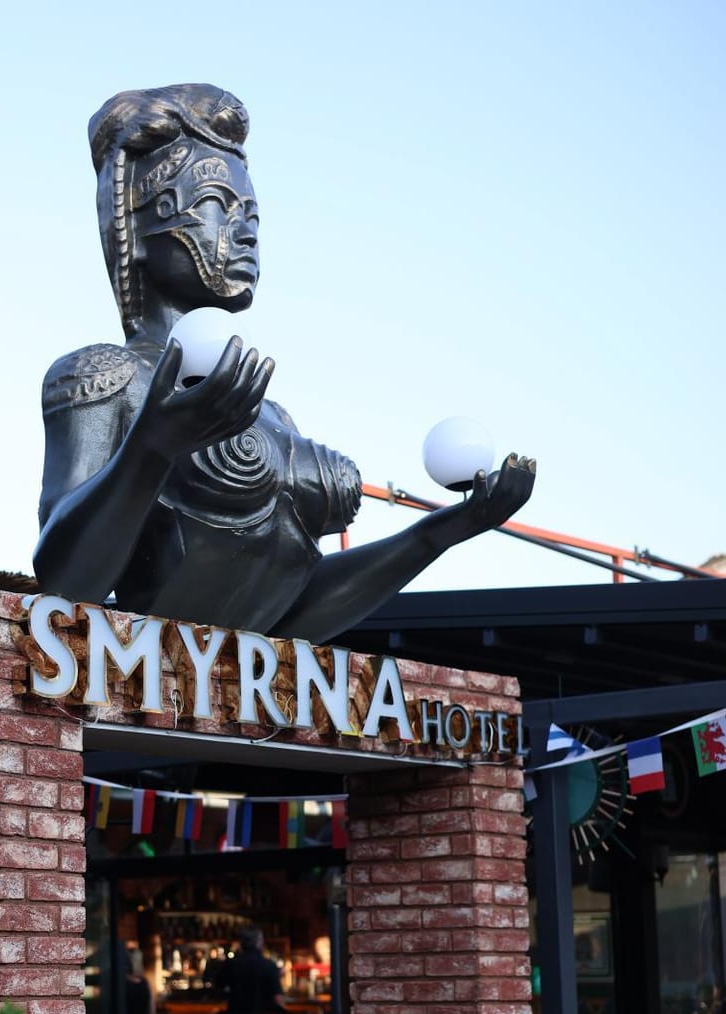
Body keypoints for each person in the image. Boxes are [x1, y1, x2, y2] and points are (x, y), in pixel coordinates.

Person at [33, 83, 535, 645]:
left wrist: (438, 533)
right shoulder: (104, 376)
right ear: (138, 230)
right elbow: (66, 585)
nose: (244, 231)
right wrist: (152, 447)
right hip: (128, 688)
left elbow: (287, 617)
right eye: (216, 205)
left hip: (239, 693)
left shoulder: (269, 412)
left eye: (250, 213)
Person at [217, 926, 282, 1014]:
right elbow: (277, 999)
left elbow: (217, 986)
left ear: (241, 942)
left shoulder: (231, 964)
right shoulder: (268, 966)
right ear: (259, 942)